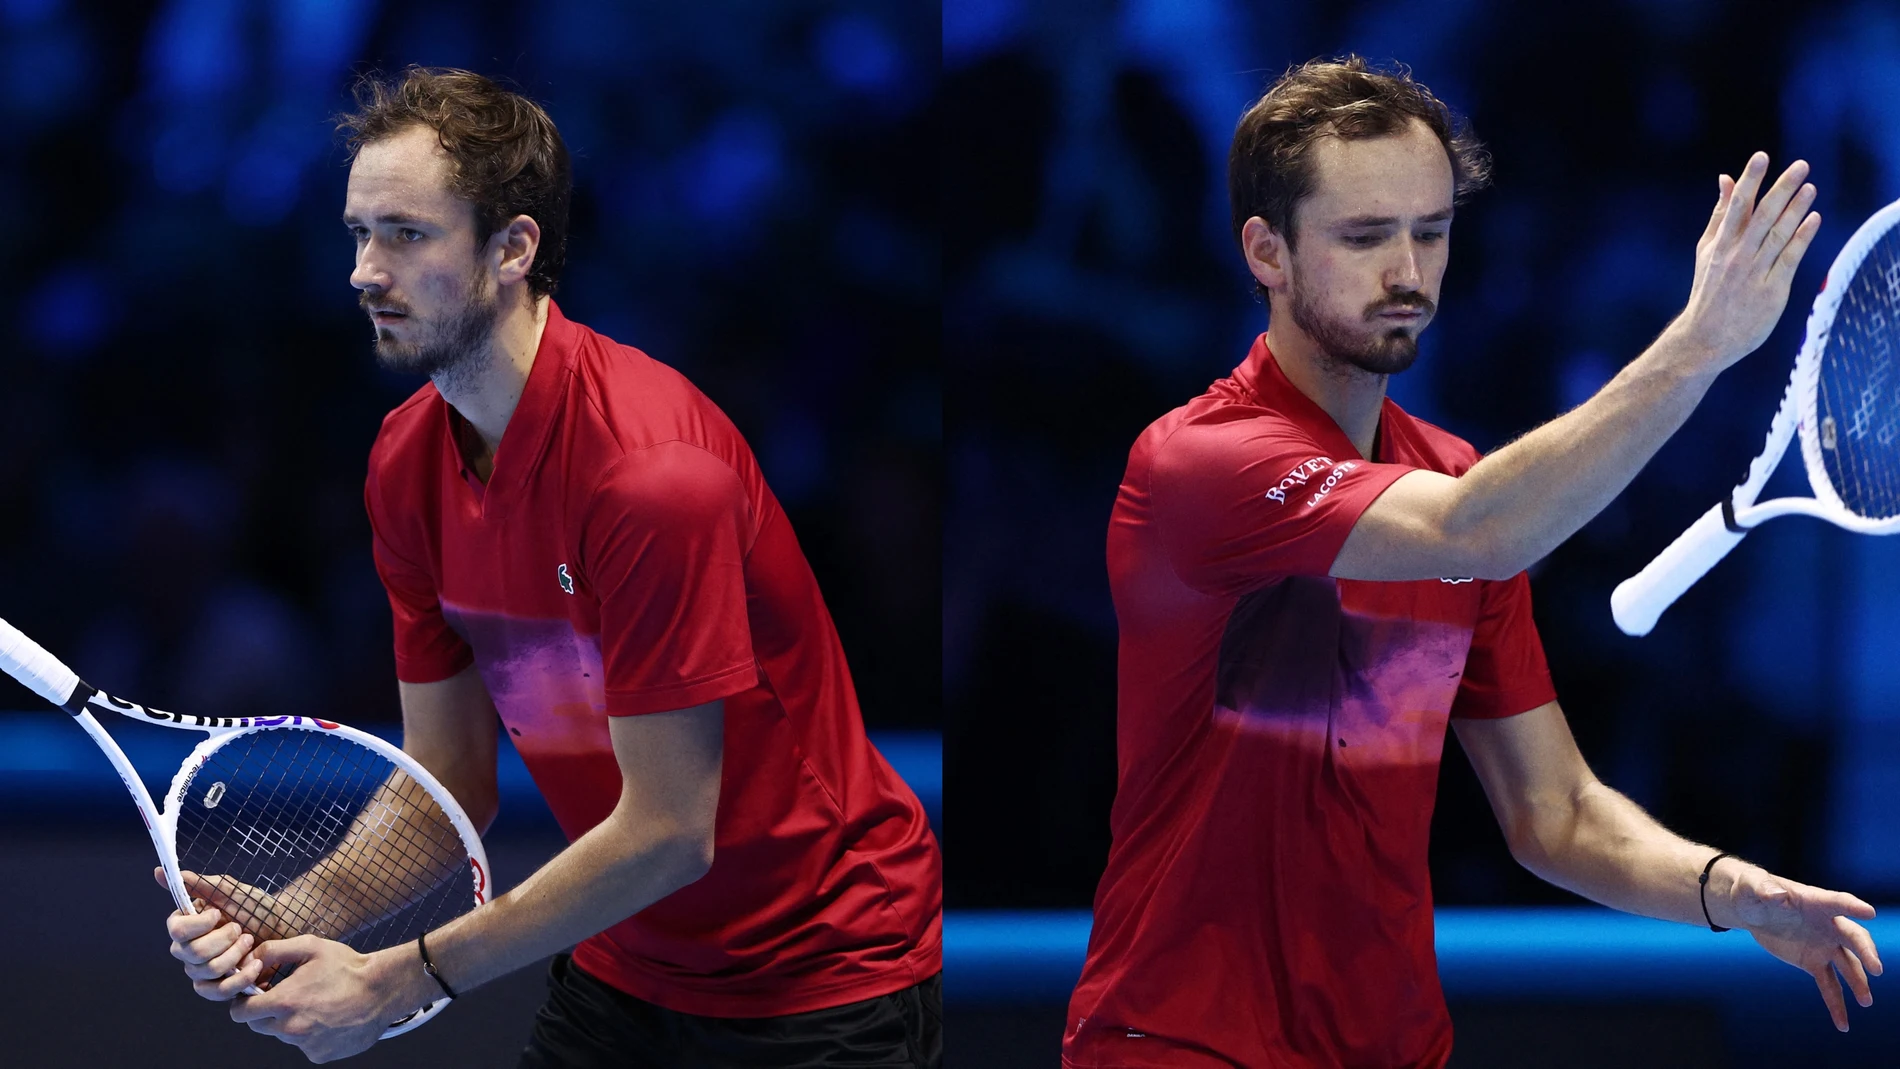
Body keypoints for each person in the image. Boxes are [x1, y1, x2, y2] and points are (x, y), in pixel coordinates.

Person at [1062, 55, 1879, 1069]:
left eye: (1430, 230)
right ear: (1265, 252)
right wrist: (1694, 347)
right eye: (1364, 236)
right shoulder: (1201, 463)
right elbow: (1473, 529)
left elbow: (1557, 812)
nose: (1406, 270)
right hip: (1183, 1045)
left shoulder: (1453, 476)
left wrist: (1728, 888)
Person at [156, 67, 942, 1067]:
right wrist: (293, 910)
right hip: (626, 962)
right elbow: (449, 776)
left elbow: (668, 832)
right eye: (358, 233)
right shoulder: (405, 465)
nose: (362, 270)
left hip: (825, 981)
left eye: (406, 233)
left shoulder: (651, 477)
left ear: (512, 248)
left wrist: (395, 978)